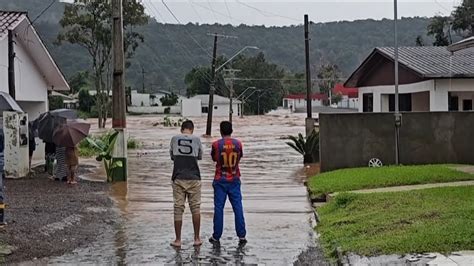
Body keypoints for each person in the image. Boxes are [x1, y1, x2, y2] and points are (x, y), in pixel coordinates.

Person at [209, 121, 247, 245]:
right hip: (235, 179)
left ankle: (216, 236)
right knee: (238, 207)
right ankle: (242, 235)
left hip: (220, 180)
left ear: (220, 131)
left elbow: (214, 158)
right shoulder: (238, 144)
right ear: (231, 130)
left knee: (219, 208)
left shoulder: (216, 145)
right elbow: (240, 157)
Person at [169, 120, 203, 247]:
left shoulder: (174, 139)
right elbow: (199, 156)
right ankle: (197, 238)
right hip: (194, 177)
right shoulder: (197, 139)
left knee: (178, 208)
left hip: (178, 177)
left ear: (182, 129)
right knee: (195, 208)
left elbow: (172, 156)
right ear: (192, 129)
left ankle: (178, 240)